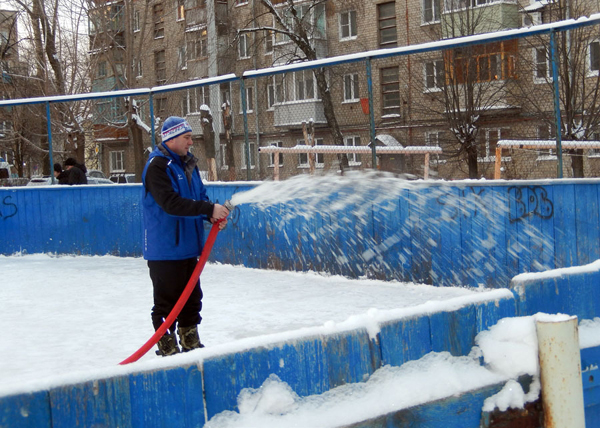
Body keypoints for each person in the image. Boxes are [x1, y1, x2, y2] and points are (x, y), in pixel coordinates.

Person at [142, 116, 230, 356]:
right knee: (167, 303)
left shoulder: (188, 164)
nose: (191, 142)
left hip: (189, 248)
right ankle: (167, 347)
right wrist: (207, 210)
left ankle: (190, 342)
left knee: (192, 299)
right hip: (166, 249)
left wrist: (210, 215)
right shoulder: (157, 167)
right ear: (171, 138)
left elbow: (199, 197)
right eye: (187, 137)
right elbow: (170, 203)